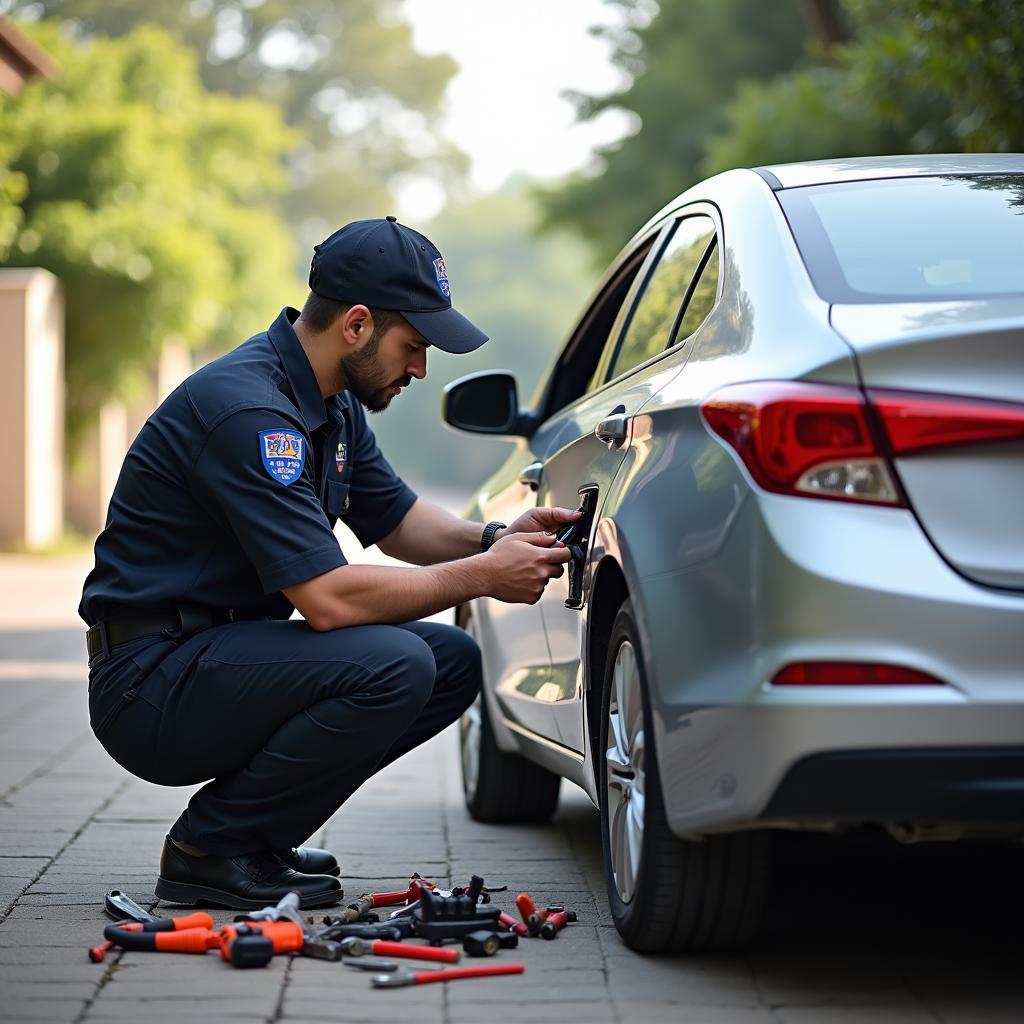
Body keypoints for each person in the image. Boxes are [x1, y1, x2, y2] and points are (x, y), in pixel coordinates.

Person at [80, 217, 577, 910]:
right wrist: (484, 579)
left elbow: (400, 523)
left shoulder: (331, 405)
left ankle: (256, 838)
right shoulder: (250, 413)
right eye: (414, 345)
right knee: (394, 663)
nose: (420, 368)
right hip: (152, 684)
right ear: (356, 325)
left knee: (451, 661)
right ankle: (210, 849)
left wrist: (494, 539)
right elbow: (329, 600)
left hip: (216, 656)